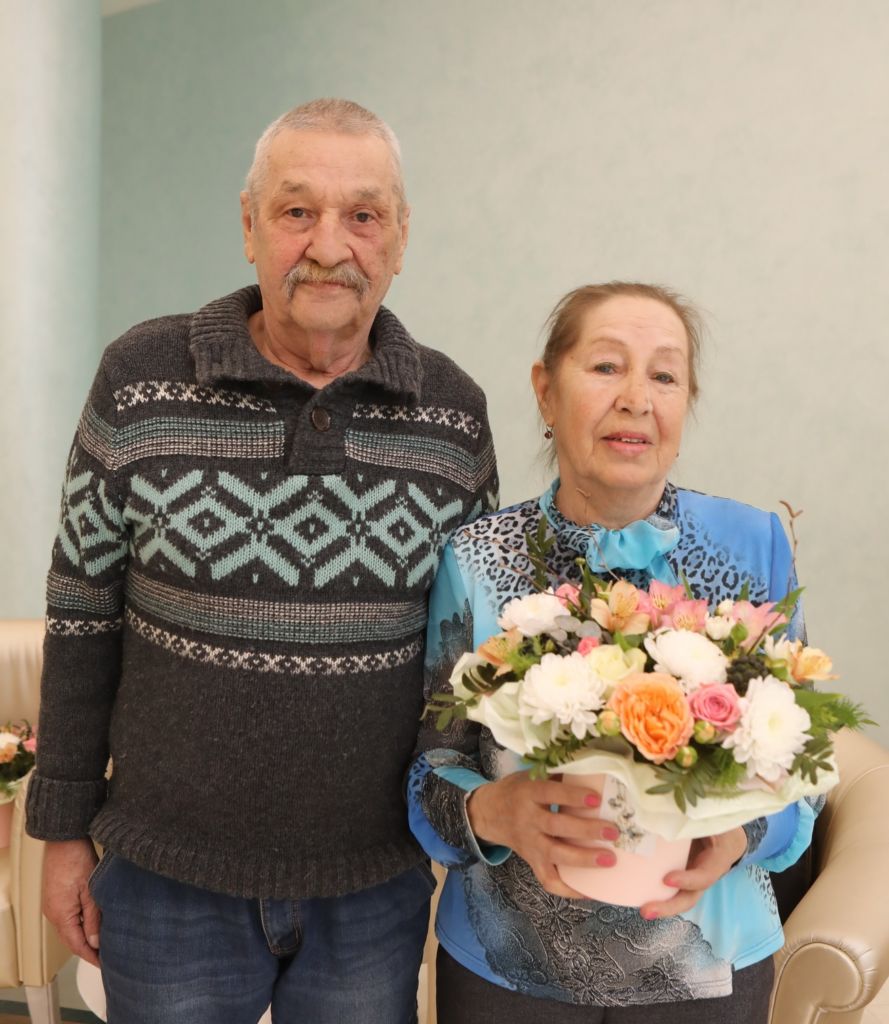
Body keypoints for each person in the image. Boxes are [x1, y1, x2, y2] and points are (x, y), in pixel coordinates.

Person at [26, 98, 498, 1024]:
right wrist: (62, 831)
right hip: (163, 881)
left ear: (400, 239)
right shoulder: (140, 376)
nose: (329, 246)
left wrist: (462, 827)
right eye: (296, 211)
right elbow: (82, 617)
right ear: (248, 227)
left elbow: (465, 661)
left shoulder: (453, 415)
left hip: (372, 890)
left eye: (362, 215)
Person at [407, 282, 814, 1023]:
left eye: (664, 375)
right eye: (605, 367)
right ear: (546, 390)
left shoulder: (752, 545)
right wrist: (494, 812)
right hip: (507, 969)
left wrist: (737, 835)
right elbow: (428, 770)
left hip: (707, 965)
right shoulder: (476, 557)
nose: (636, 399)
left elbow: (803, 771)